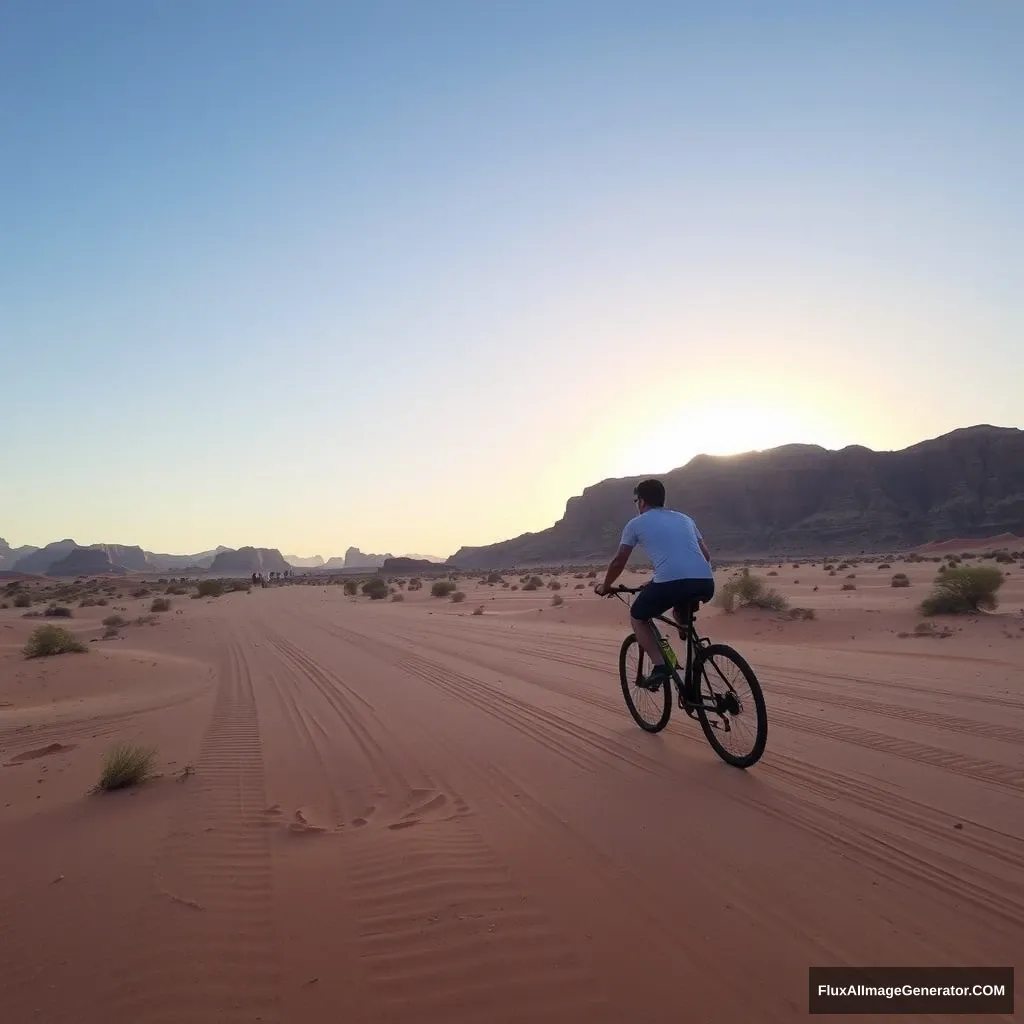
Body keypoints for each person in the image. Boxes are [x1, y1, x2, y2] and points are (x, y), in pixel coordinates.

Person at [594, 478, 714, 689]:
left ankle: (661, 666)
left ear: (641, 502)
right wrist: (658, 580)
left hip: (671, 584)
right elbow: (706, 554)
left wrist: (605, 586)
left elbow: (619, 561)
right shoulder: (685, 519)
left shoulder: (635, 524)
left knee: (638, 617)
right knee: (680, 607)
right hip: (704, 582)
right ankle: (694, 651)